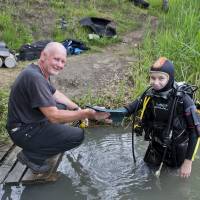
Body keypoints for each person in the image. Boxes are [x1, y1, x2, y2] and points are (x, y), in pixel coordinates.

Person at [6, 42, 109, 174]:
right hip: (22, 131)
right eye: (56, 59)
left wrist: (76, 108)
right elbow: (54, 117)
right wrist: (86, 113)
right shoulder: (35, 78)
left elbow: (55, 93)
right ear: (44, 55)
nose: (60, 65)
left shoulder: (37, 71)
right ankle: (31, 157)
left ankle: (41, 145)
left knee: (62, 106)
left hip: (26, 123)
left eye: (63, 62)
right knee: (77, 135)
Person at [124, 57, 200, 178]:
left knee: (174, 182)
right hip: (155, 145)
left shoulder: (184, 100)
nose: (156, 82)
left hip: (177, 151)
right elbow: (129, 109)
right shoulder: (150, 94)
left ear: (170, 78)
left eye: (161, 78)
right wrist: (111, 114)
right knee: (145, 176)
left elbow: (195, 133)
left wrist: (188, 162)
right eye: (153, 78)